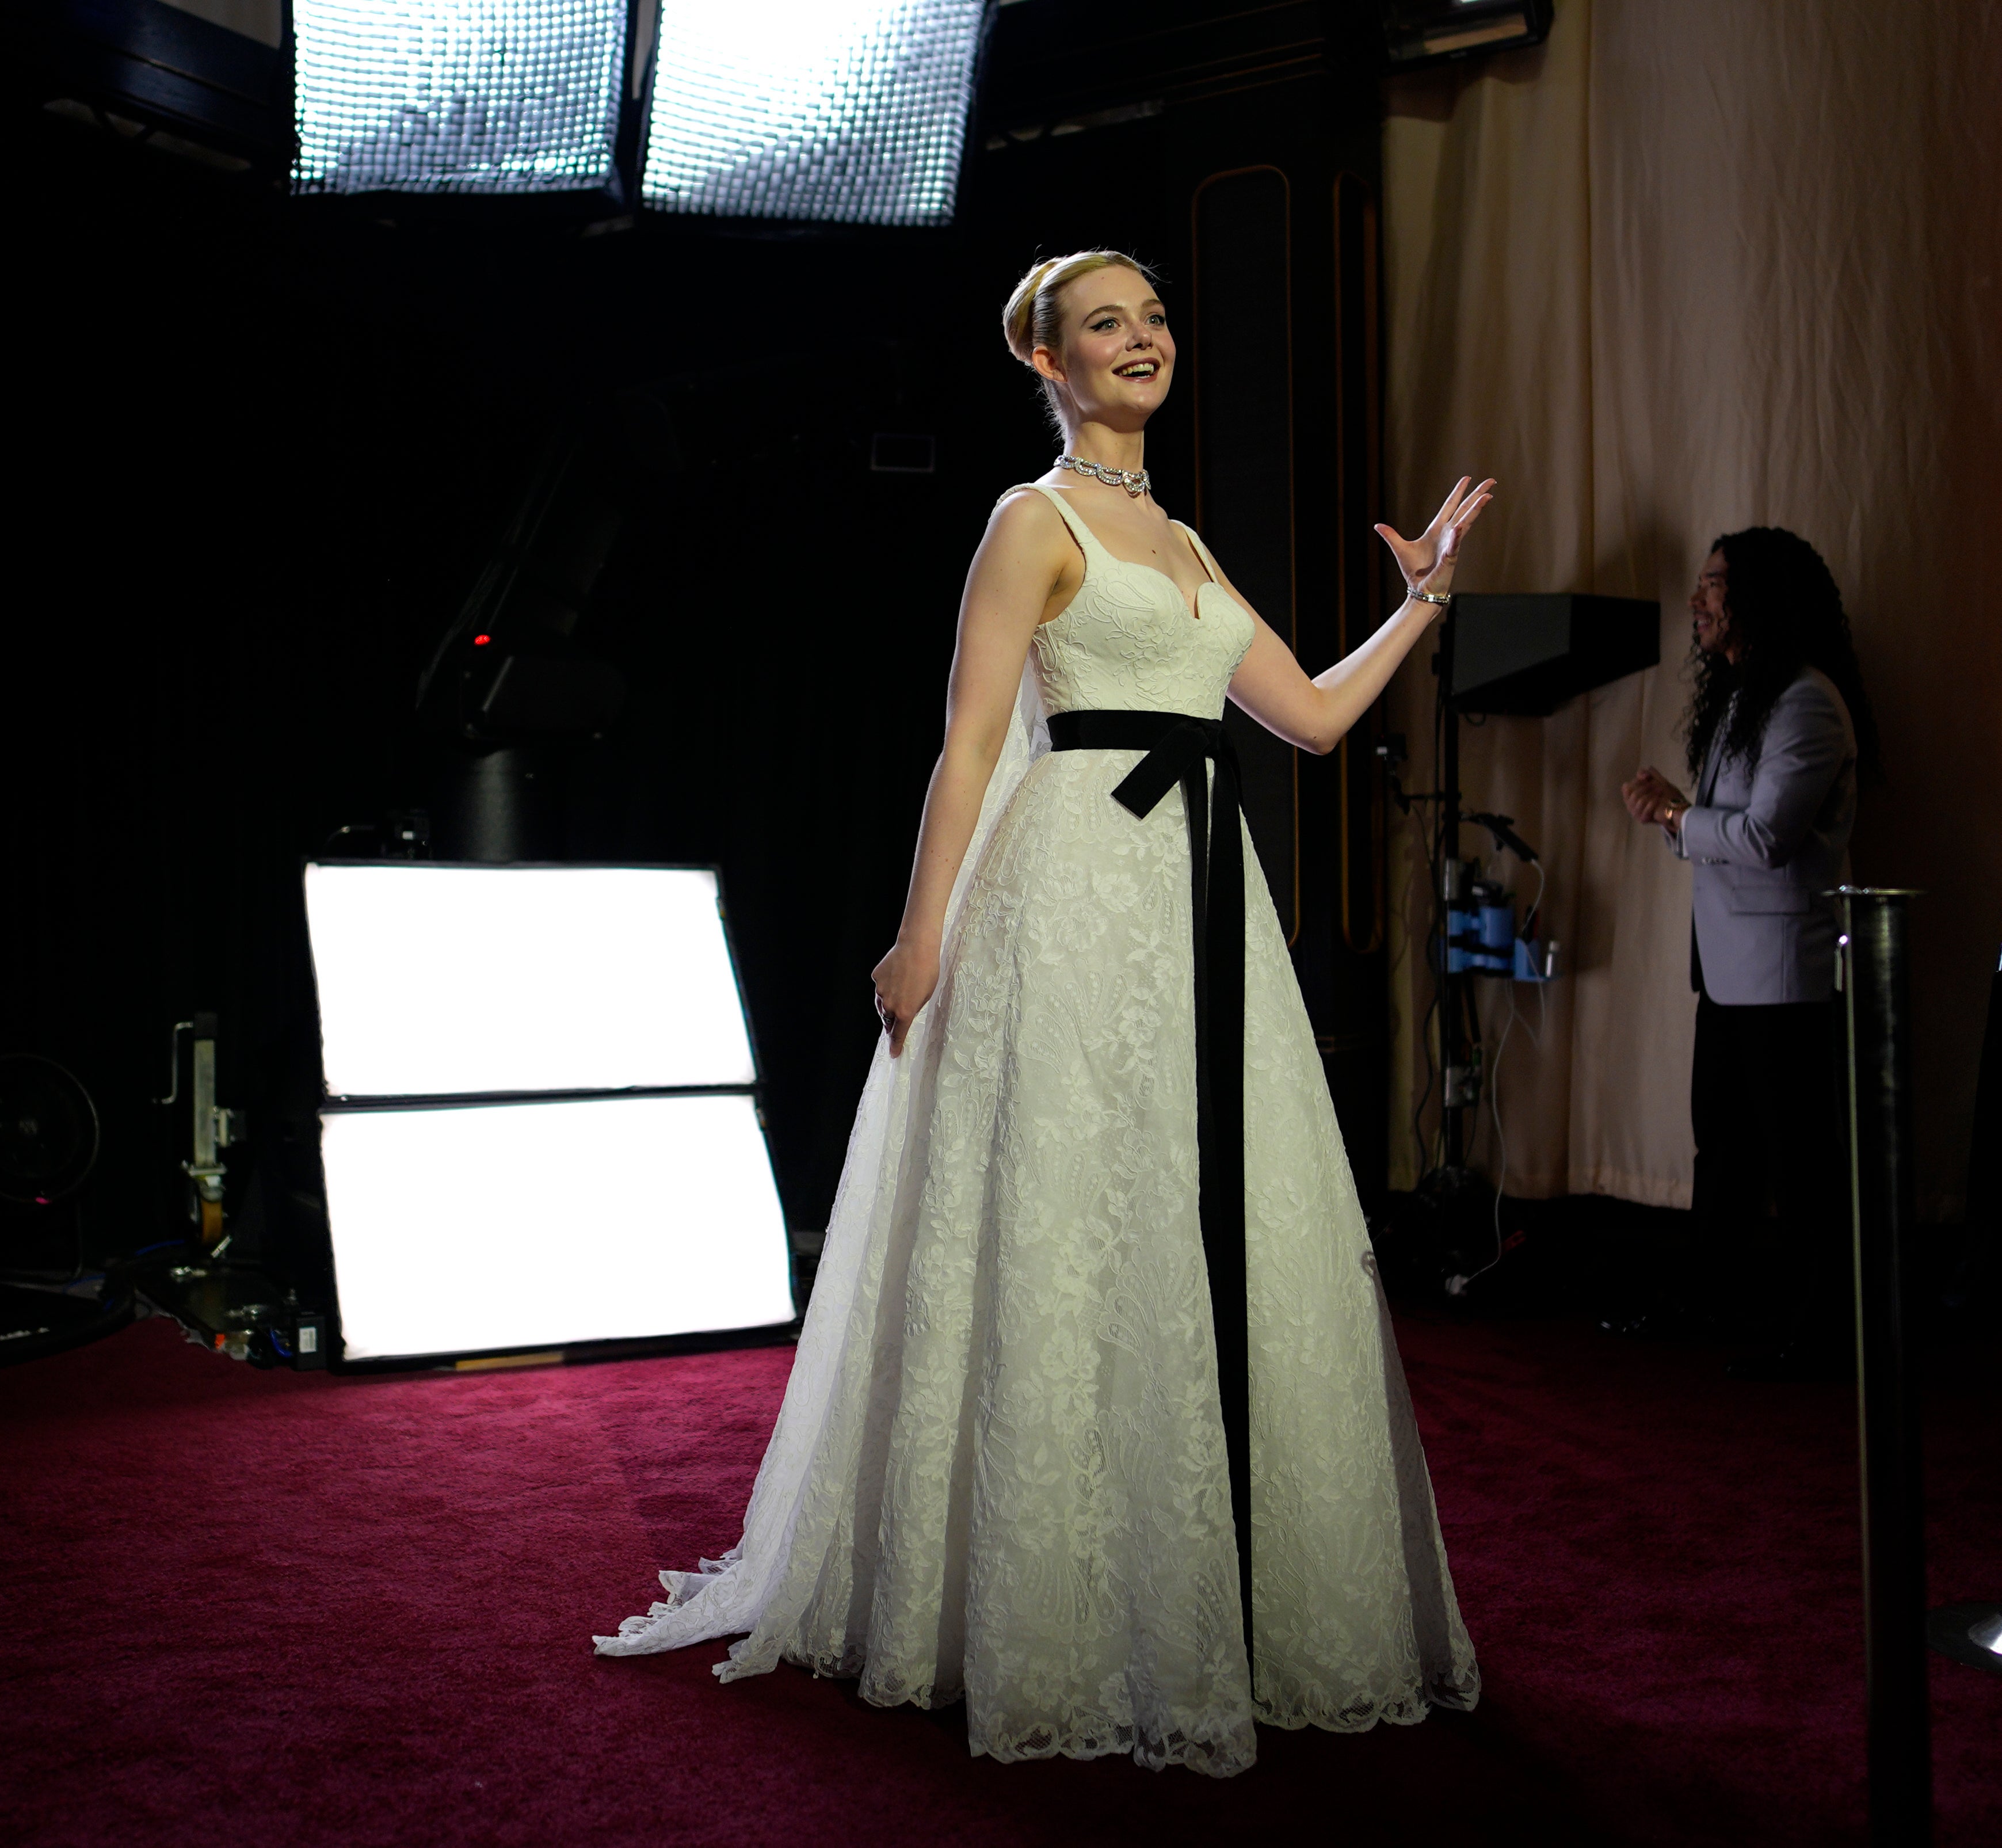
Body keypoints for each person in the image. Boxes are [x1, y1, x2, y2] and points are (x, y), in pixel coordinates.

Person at [595, 251, 1494, 1775]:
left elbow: (1315, 718)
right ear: (1047, 361)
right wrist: (918, 934)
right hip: (1071, 885)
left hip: (1198, 897)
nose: (1142, 340)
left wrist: (1424, 601)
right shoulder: (1033, 519)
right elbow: (965, 745)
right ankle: (1050, 1609)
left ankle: (1208, 1583)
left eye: (1154, 318)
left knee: (1204, 1209)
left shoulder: (1184, 538)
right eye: (1104, 324)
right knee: (1071, 1202)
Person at [1622, 529, 1870, 1378]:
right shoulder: (1745, 699)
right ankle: (1712, 1299)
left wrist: (1676, 816)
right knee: (1722, 1151)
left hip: (1785, 974)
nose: (1697, 601)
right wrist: (1678, 811)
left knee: (1799, 1161)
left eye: (1716, 584)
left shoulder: (1806, 703)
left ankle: (1822, 1327)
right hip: (1728, 970)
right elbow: (1727, 829)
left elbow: (1766, 839)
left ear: (1760, 597)